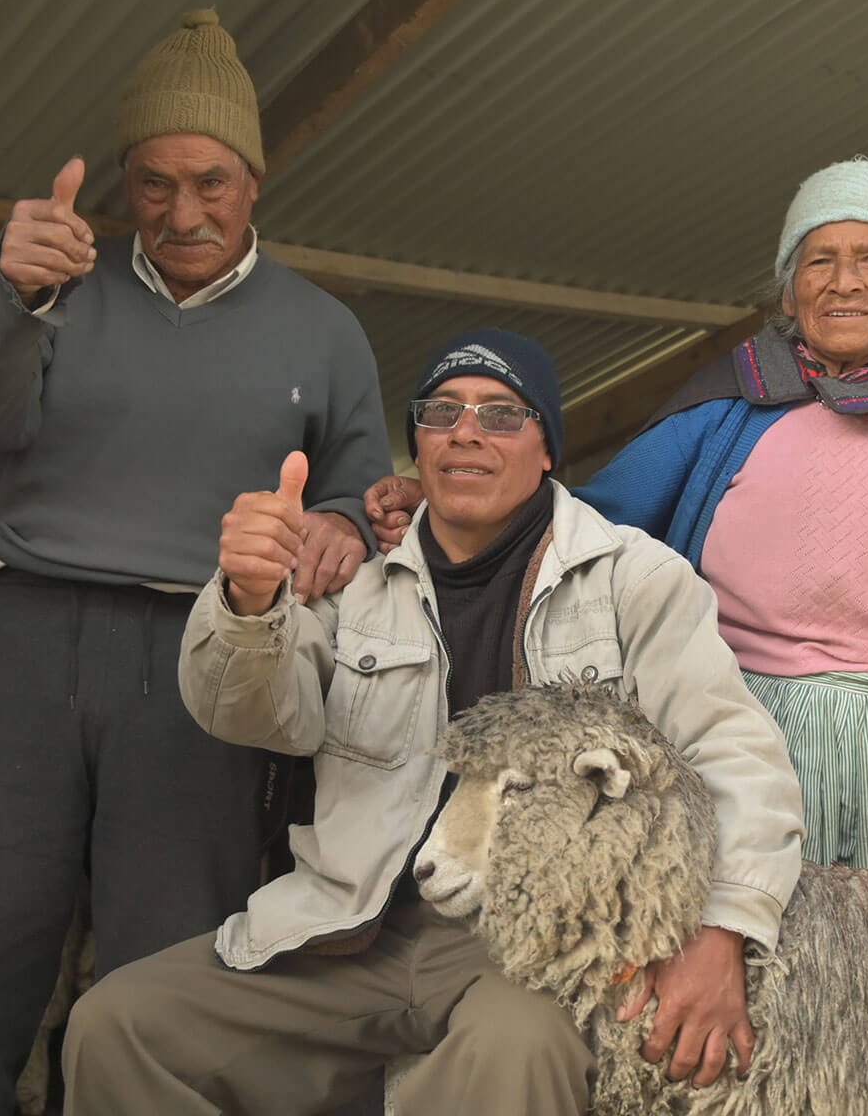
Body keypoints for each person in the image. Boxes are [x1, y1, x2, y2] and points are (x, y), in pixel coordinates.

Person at [61, 329, 805, 1116]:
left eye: (501, 415)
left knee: (516, 1049)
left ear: (547, 446)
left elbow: (734, 756)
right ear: (416, 444)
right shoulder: (353, 583)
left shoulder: (634, 579)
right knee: (117, 1025)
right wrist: (249, 600)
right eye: (442, 411)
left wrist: (723, 928)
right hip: (347, 927)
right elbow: (245, 713)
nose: (467, 432)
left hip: (533, 950)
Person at [370, 159, 868, 871]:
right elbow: (576, 529)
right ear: (789, 293)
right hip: (744, 748)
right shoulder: (725, 409)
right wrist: (450, 502)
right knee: (758, 990)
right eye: (819, 261)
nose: (843, 281)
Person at [0, 10, 393, 1116]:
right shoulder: (56, 287)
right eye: (155, 184)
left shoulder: (323, 329)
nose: (183, 211)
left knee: (162, 980)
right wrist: (9, 293)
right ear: (124, 183)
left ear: (255, 177)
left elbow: (364, 487)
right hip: (15, 643)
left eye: (211, 180)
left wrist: (344, 527)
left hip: (204, 661)